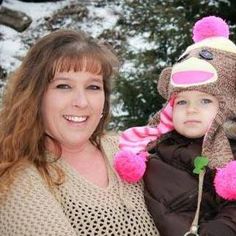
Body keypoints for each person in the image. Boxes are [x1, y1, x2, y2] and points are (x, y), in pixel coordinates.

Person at [0, 30, 159, 235]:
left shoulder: (128, 147)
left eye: (93, 87)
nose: (82, 102)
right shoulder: (16, 179)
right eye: (63, 86)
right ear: (34, 95)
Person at [114, 16, 236, 236]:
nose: (191, 109)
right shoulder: (156, 144)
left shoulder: (229, 156)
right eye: (182, 102)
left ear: (227, 107)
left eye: (205, 101)